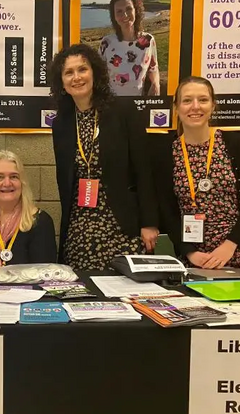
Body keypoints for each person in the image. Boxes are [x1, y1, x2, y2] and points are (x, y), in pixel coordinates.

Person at [48, 43, 159, 271]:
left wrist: (149, 223)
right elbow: (65, 181)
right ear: (61, 81)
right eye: (68, 72)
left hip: (120, 224)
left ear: (95, 72)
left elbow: (145, 171)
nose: (76, 77)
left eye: (82, 69)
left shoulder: (123, 112)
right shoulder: (61, 123)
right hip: (80, 227)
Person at [154, 76, 240, 269]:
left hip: (237, 252)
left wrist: (230, 245)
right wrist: (189, 252)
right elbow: (168, 211)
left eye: (203, 100)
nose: (195, 106)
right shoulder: (167, 152)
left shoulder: (235, 144)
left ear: (213, 106)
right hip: (193, 259)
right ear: (176, 107)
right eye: (187, 100)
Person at [99, 0, 160, 96]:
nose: (125, 15)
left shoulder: (148, 40)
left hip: (138, 104)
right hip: (113, 104)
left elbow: (153, 68)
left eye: (128, 9)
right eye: (119, 11)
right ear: (114, 16)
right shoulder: (106, 43)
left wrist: (156, 83)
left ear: (136, 10)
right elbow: (98, 73)